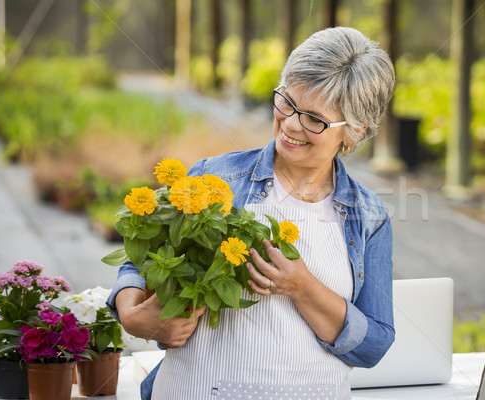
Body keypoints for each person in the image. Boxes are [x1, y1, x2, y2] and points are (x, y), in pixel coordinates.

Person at [106, 26, 395, 400]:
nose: (291, 124)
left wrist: (302, 287)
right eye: (286, 102)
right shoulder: (216, 177)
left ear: (354, 132)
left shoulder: (369, 216)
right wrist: (132, 315)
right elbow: (140, 259)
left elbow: (374, 345)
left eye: (314, 119)